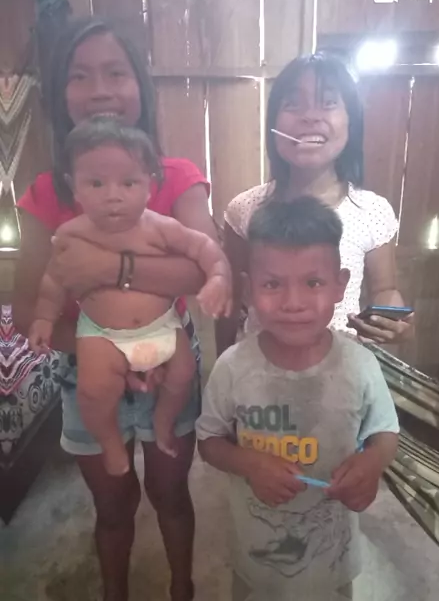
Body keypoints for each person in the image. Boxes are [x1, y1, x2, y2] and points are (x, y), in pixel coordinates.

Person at [13, 16, 215, 601]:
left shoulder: (176, 178)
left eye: (115, 72)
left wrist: (110, 269)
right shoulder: (46, 193)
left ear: (140, 85)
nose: (99, 89)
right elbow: (27, 311)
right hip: (90, 368)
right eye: (79, 76)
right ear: (60, 94)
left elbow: (202, 270)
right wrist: (114, 356)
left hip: (169, 358)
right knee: (112, 504)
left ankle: (183, 588)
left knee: (171, 494)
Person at [197, 197, 400, 601]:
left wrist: (371, 464)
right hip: (256, 555)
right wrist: (249, 463)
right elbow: (209, 441)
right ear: (249, 289)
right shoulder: (232, 367)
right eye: (273, 284)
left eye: (313, 283)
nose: (293, 302)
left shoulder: (360, 365)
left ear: (340, 285)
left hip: (333, 556)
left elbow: (386, 433)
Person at [29, 116, 232, 476]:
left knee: (183, 374)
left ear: (148, 186)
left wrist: (218, 275)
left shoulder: (159, 227)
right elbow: (53, 280)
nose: (113, 195)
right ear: (74, 188)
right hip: (101, 336)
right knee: (93, 391)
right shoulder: (72, 233)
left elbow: (204, 248)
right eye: (96, 183)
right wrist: (45, 318)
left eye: (128, 182)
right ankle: (109, 442)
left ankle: (164, 421)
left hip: (162, 327)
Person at [216, 52, 414, 356]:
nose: (309, 116)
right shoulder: (244, 209)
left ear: (351, 121)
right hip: (258, 369)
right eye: (293, 104)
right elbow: (230, 298)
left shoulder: (372, 211)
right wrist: (222, 365)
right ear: (273, 124)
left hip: (340, 369)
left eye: (328, 102)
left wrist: (394, 319)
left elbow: (385, 289)